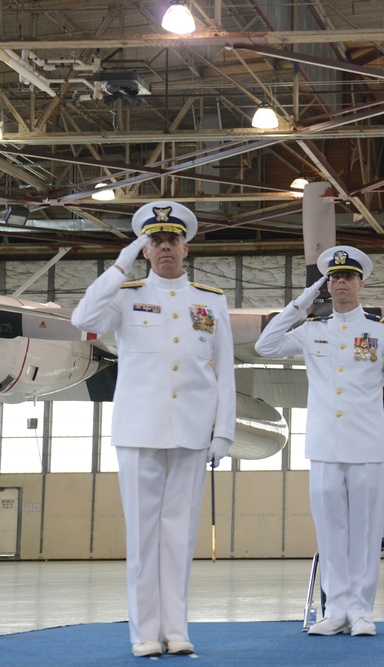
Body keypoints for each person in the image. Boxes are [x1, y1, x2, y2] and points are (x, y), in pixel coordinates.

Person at [71, 201, 236, 658]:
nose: (165, 247)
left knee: (179, 537)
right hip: (139, 431)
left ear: (186, 248)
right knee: (144, 537)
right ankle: (145, 633)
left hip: (191, 432)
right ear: (145, 248)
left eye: (173, 240)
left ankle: (176, 630)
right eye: (156, 240)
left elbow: (225, 371)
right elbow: (82, 320)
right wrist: (121, 263)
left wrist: (223, 432)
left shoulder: (211, 301)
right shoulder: (123, 295)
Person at [254, 245, 384, 638]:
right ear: (328, 286)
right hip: (324, 446)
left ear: (360, 283)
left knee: (365, 529)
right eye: (335, 278)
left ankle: (361, 611)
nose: (342, 283)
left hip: (369, 445)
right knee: (331, 531)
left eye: (348, 277)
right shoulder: (312, 329)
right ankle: (336, 609)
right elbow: (265, 345)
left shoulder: (382, 330)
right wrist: (300, 303)